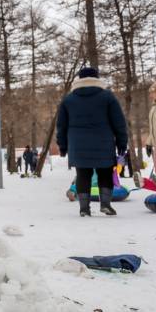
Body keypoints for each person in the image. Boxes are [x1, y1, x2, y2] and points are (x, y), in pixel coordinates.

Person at [56, 67, 128, 217]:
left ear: (79, 79)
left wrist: (62, 146)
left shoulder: (69, 99)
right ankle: (106, 204)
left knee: (83, 173)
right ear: (97, 78)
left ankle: (84, 208)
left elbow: (61, 126)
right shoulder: (107, 97)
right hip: (104, 142)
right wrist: (122, 143)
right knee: (105, 172)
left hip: (77, 144)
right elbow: (119, 122)